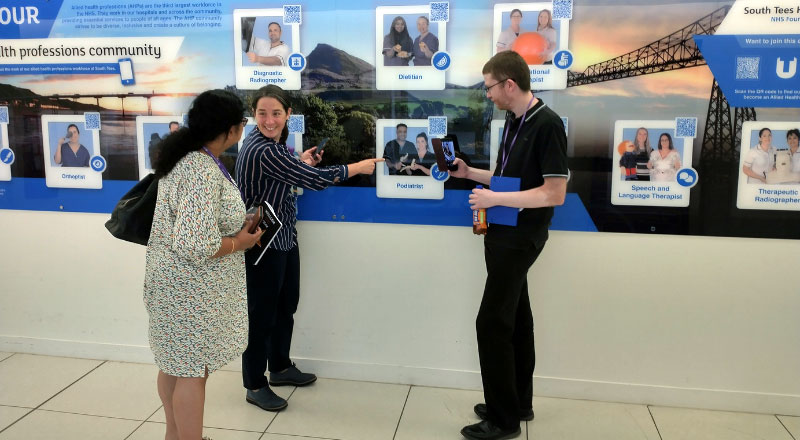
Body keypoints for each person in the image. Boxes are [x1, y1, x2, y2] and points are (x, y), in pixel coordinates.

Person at [235, 85, 383, 412]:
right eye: (262, 113)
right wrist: (357, 167)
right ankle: (254, 384)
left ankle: (281, 367)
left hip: (284, 237)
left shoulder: (275, 147)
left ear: (288, 114)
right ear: (253, 115)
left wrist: (300, 161)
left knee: (286, 304)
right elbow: (313, 180)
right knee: (262, 314)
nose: (269, 120)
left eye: (276, 113)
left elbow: (289, 174)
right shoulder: (263, 149)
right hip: (263, 244)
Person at [450, 50, 568, 440]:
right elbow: (506, 179)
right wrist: (470, 174)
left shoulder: (547, 124)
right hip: (506, 234)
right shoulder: (516, 121)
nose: (487, 95)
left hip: (521, 238)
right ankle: (517, 401)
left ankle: (503, 420)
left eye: (489, 88)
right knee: (517, 317)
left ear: (509, 85)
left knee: (492, 323)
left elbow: (554, 193)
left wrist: (494, 200)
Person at [144, 89, 263, 440]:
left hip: (174, 285)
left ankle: (175, 436)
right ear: (230, 128)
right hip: (190, 291)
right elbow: (195, 243)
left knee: (175, 366)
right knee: (192, 371)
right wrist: (239, 242)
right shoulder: (198, 168)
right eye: (243, 122)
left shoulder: (190, 158)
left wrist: (238, 224)